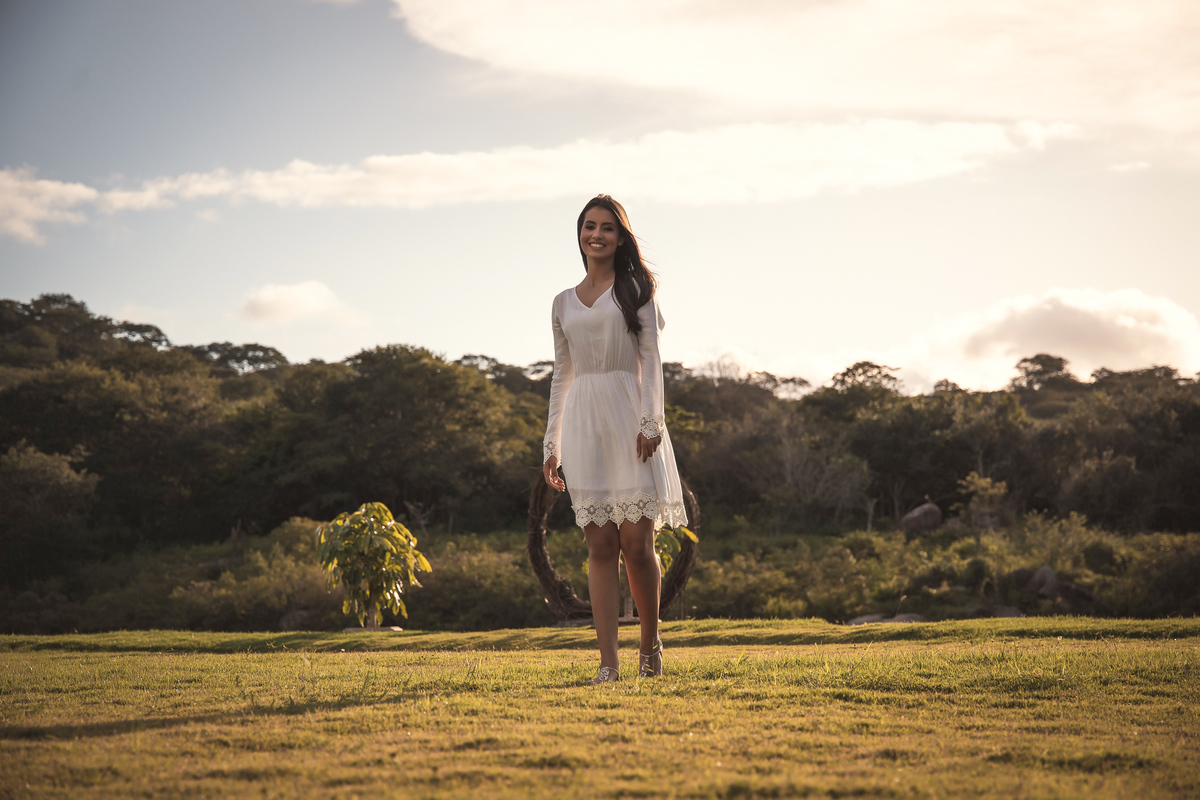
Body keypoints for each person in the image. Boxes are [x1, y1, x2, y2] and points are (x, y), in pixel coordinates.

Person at [542, 194, 688, 684]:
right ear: (579, 234)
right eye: (589, 226)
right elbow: (563, 375)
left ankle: (650, 641)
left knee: (636, 541)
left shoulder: (634, 290)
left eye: (607, 227)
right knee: (600, 545)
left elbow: (652, 361)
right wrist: (551, 445)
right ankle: (608, 663)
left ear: (620, 237)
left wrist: (652, 423)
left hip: (631, 416)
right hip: (584, 422)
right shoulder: (562, 302)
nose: (596, 234)